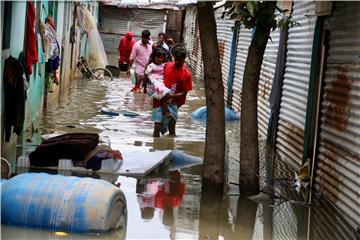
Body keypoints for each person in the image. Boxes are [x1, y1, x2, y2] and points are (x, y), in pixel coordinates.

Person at [152, 44, 192, 137]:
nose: (177, 60)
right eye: (176, 57)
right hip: (159, 101)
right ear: (173, 56)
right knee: (157, 126)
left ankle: (170, 147)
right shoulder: (166, 66)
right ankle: (155, 147)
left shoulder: (186, 74)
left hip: (173, 104)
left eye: (180, 58)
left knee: (172, 128)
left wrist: (171, 96)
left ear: (184, 58)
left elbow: (184, 93)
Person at [144, 47, 171, 117]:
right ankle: (166, 112)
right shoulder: (151, 66)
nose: (160, 59)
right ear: (154, 57)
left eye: (162, 58)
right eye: (158, 57)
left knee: (165, 96)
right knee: (163, 94)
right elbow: (145, 76)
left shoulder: (163, 65)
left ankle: (165, 111)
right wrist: (144, 88)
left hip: (161, 82)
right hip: (155, 83)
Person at [38, 16, 60, 90]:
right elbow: (45, 34)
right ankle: (49, 83)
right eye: (52, 21)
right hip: (51, 54)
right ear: (49, 22)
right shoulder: (47, 28)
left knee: (54, 66)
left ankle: (54, 78)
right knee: (50, 69)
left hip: (54, 53)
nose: (53, 23)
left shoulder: (51, 30)